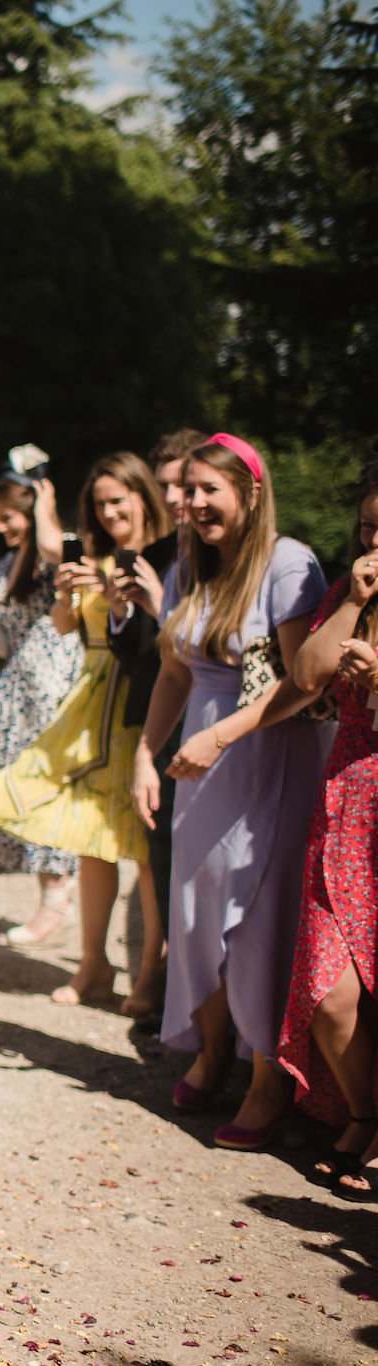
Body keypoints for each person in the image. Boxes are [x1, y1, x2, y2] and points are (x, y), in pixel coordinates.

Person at [132, 433, 330, 1149]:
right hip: (198, 763)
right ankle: (213, 1050)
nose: (192, 503)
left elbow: (304, 680)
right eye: (186, 490)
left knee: (253, 919)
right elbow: (175, 672)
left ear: (250, 491)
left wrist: (221, 736)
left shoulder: (289, 563)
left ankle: (267, 1078)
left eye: (207, 489)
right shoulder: (190, 567)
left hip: (267, 753)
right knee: (194, 913)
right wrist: (144, 753)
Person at [0, 452, 171, 1006]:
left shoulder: (163, 557)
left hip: (143, 700)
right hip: (90, 704)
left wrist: (109, 588)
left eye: (118, 501)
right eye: (101, 504)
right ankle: (93, 965)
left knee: (144, 846)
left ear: (143, 498)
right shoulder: (94, 554)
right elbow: (65, 623)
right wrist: (70, 591)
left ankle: (150, 975)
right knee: (90, 840)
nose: (109, 513)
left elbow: (164, 636)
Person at [276, 473, 378, 1191]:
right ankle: (365, 1112)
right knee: (331, 992)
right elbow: (307, 675)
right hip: (346, 805)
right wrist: (353, 603)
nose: (377, 540)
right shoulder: (348, 590)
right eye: (369, 525)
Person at [108, 427, 208, 1021]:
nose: (173, 497)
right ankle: (178, 1006)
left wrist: (161, 608)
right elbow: (140, 655)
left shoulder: (236, 556)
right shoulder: (161, 553)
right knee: (162, 855)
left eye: (184, 485)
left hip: (218, 724)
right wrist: (125, 612)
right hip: (162, 722)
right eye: (166, 485)